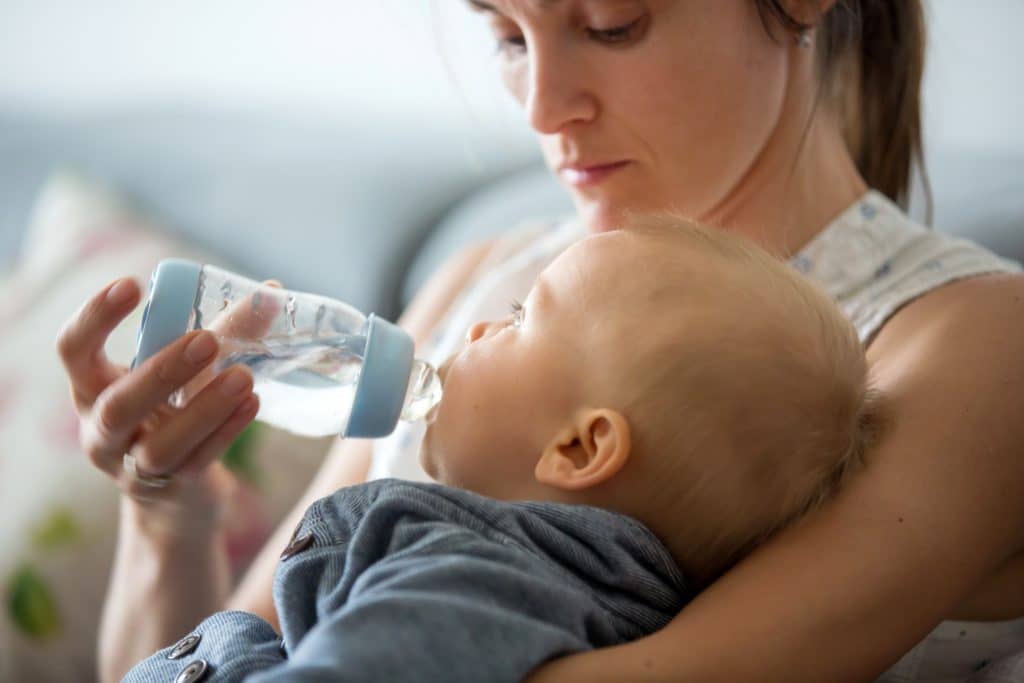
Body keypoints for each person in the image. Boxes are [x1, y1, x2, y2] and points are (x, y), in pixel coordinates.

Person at [56, 1, 1024, 681]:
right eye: (505, 33)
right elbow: (220, 649)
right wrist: (166, 504)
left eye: (611, 25)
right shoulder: (479, 283)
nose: (540, 107)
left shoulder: (964, 342)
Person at [121, 222, 876, 681]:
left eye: (518, 318)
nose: (475, 330)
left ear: (579, 446)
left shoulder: (469, 581)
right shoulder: (559, 593)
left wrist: (235, 642)